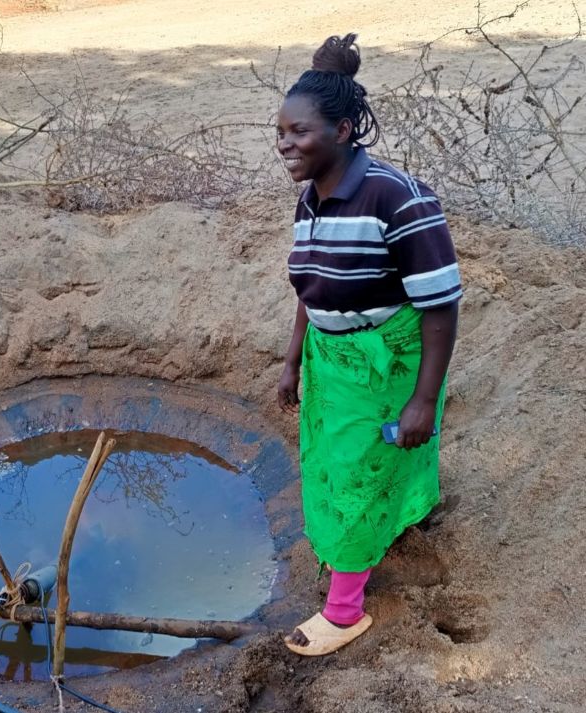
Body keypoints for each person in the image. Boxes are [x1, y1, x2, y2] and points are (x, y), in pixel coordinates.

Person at [274, 34, 462, 656]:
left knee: (359, 472)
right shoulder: (313, 197)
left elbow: (440, 306)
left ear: (345, 130)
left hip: (387, 361)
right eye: (281, 132)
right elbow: (311, 286)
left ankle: (346, 611)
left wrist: (422, 401)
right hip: (334, 362)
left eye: (299, 132)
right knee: (338, 462)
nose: (285, 145)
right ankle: (399, 518)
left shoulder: (398, 197)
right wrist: (294, 359)